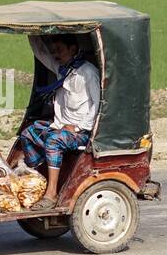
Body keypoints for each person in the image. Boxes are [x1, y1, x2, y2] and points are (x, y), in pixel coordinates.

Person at [9, 33, 100, 210]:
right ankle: (36, 180)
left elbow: (96, 105)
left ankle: (51, 194)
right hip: (60, 127)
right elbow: (41, 53)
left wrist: (79, 127)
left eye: (59, 50)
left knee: (53, 140)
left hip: (80, 133)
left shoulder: (88, 73)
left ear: (73, 49)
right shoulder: (62, 69)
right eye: (54, 51)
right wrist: (31, 31)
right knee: (28, 133)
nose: (55, 55)